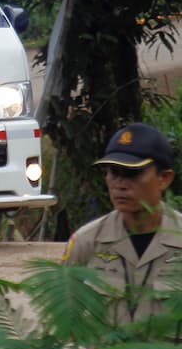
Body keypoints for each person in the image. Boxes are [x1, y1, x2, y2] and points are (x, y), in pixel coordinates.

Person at [61, 122, 182, 323]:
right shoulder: (88, 242)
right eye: (114, 173)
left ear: (164, 178)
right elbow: (63, 316)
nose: (120, 185)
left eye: (132, 174)